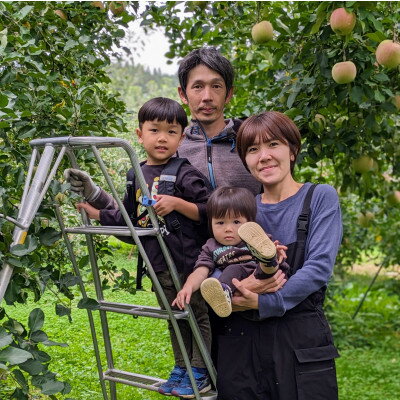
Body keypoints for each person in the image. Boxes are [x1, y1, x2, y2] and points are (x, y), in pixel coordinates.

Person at [64, 97, 213, 398]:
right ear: (139, 134)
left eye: (171, 132)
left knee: (197, 315)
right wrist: (98, 214)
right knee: (174, 318)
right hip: (157, 263)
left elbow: (209, 211)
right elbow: (132, 221)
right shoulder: (136, 174)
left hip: (187, 262)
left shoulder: (185, 173)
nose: (162, 138)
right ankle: (182, 366)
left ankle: (201, 370)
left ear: (181, 137)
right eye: (154, 130)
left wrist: (179, 204)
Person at [213, 110, 343, 400]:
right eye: (253, 149)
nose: (264, 156)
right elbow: (217, 257)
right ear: (245, 160)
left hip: (298, 338)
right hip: (241, 340)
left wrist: (263, 301)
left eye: (273, 144)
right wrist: (233, 296)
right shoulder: (243, 210)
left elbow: (318, 268)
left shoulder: (319, 197)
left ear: (292, 150)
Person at [173, 186, 289, 318]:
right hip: (237, 280)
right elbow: (200, 271)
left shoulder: (255, 238)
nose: (228, 229)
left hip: (266, 276)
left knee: (266, 261)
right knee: (232, 270)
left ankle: (268, 258)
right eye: (220, 222)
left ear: (249, 222)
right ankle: (223, 293)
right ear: (210, 223)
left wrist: (276, 252)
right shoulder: (211, 246)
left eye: (236, 222)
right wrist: (188, 287)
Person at [177, 46, 262, 195]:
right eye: (198, 87)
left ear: (228, 94)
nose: (207, 97)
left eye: (216, 86)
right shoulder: (172, 147)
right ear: (183, 94)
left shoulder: (252, 141)